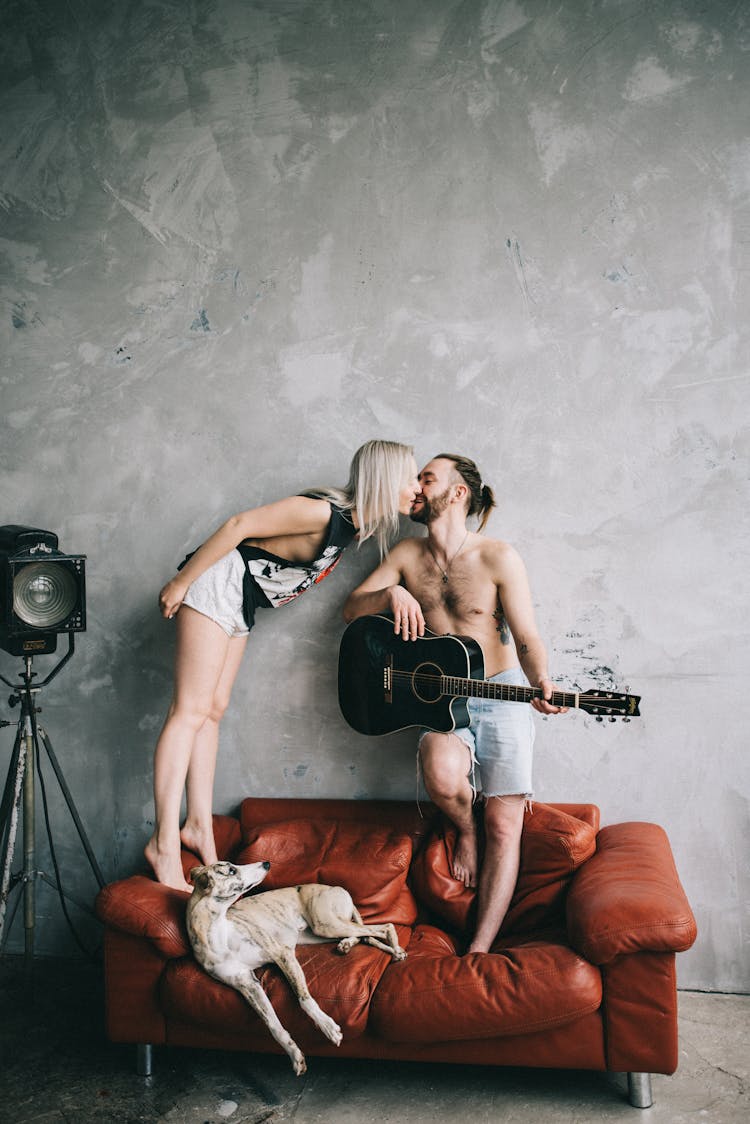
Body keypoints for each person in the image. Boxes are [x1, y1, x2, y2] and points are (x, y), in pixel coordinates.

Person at [146, 440, 420, 891]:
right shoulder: (322, 513)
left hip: (241, 598)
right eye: (410, 477)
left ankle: (196, 826)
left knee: (213, 711)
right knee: (189, 712)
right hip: (216, 583)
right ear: (386, 478)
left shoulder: (352, 528)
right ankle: (163, 844)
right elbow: (238, 525)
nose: (415, 487)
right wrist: (182, 582)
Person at [343, 453, 566, 954]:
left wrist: (542, 681)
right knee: (441, 774)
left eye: (427, 478)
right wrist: (391, 597)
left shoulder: (498, 557)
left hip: (502, 691)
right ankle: (464, 828)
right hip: (443, 698)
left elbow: (527, 636)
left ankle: (479, 948)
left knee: (505, 824)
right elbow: (351, 609)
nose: (416, 487)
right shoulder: (405, 553)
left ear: (458, 493)